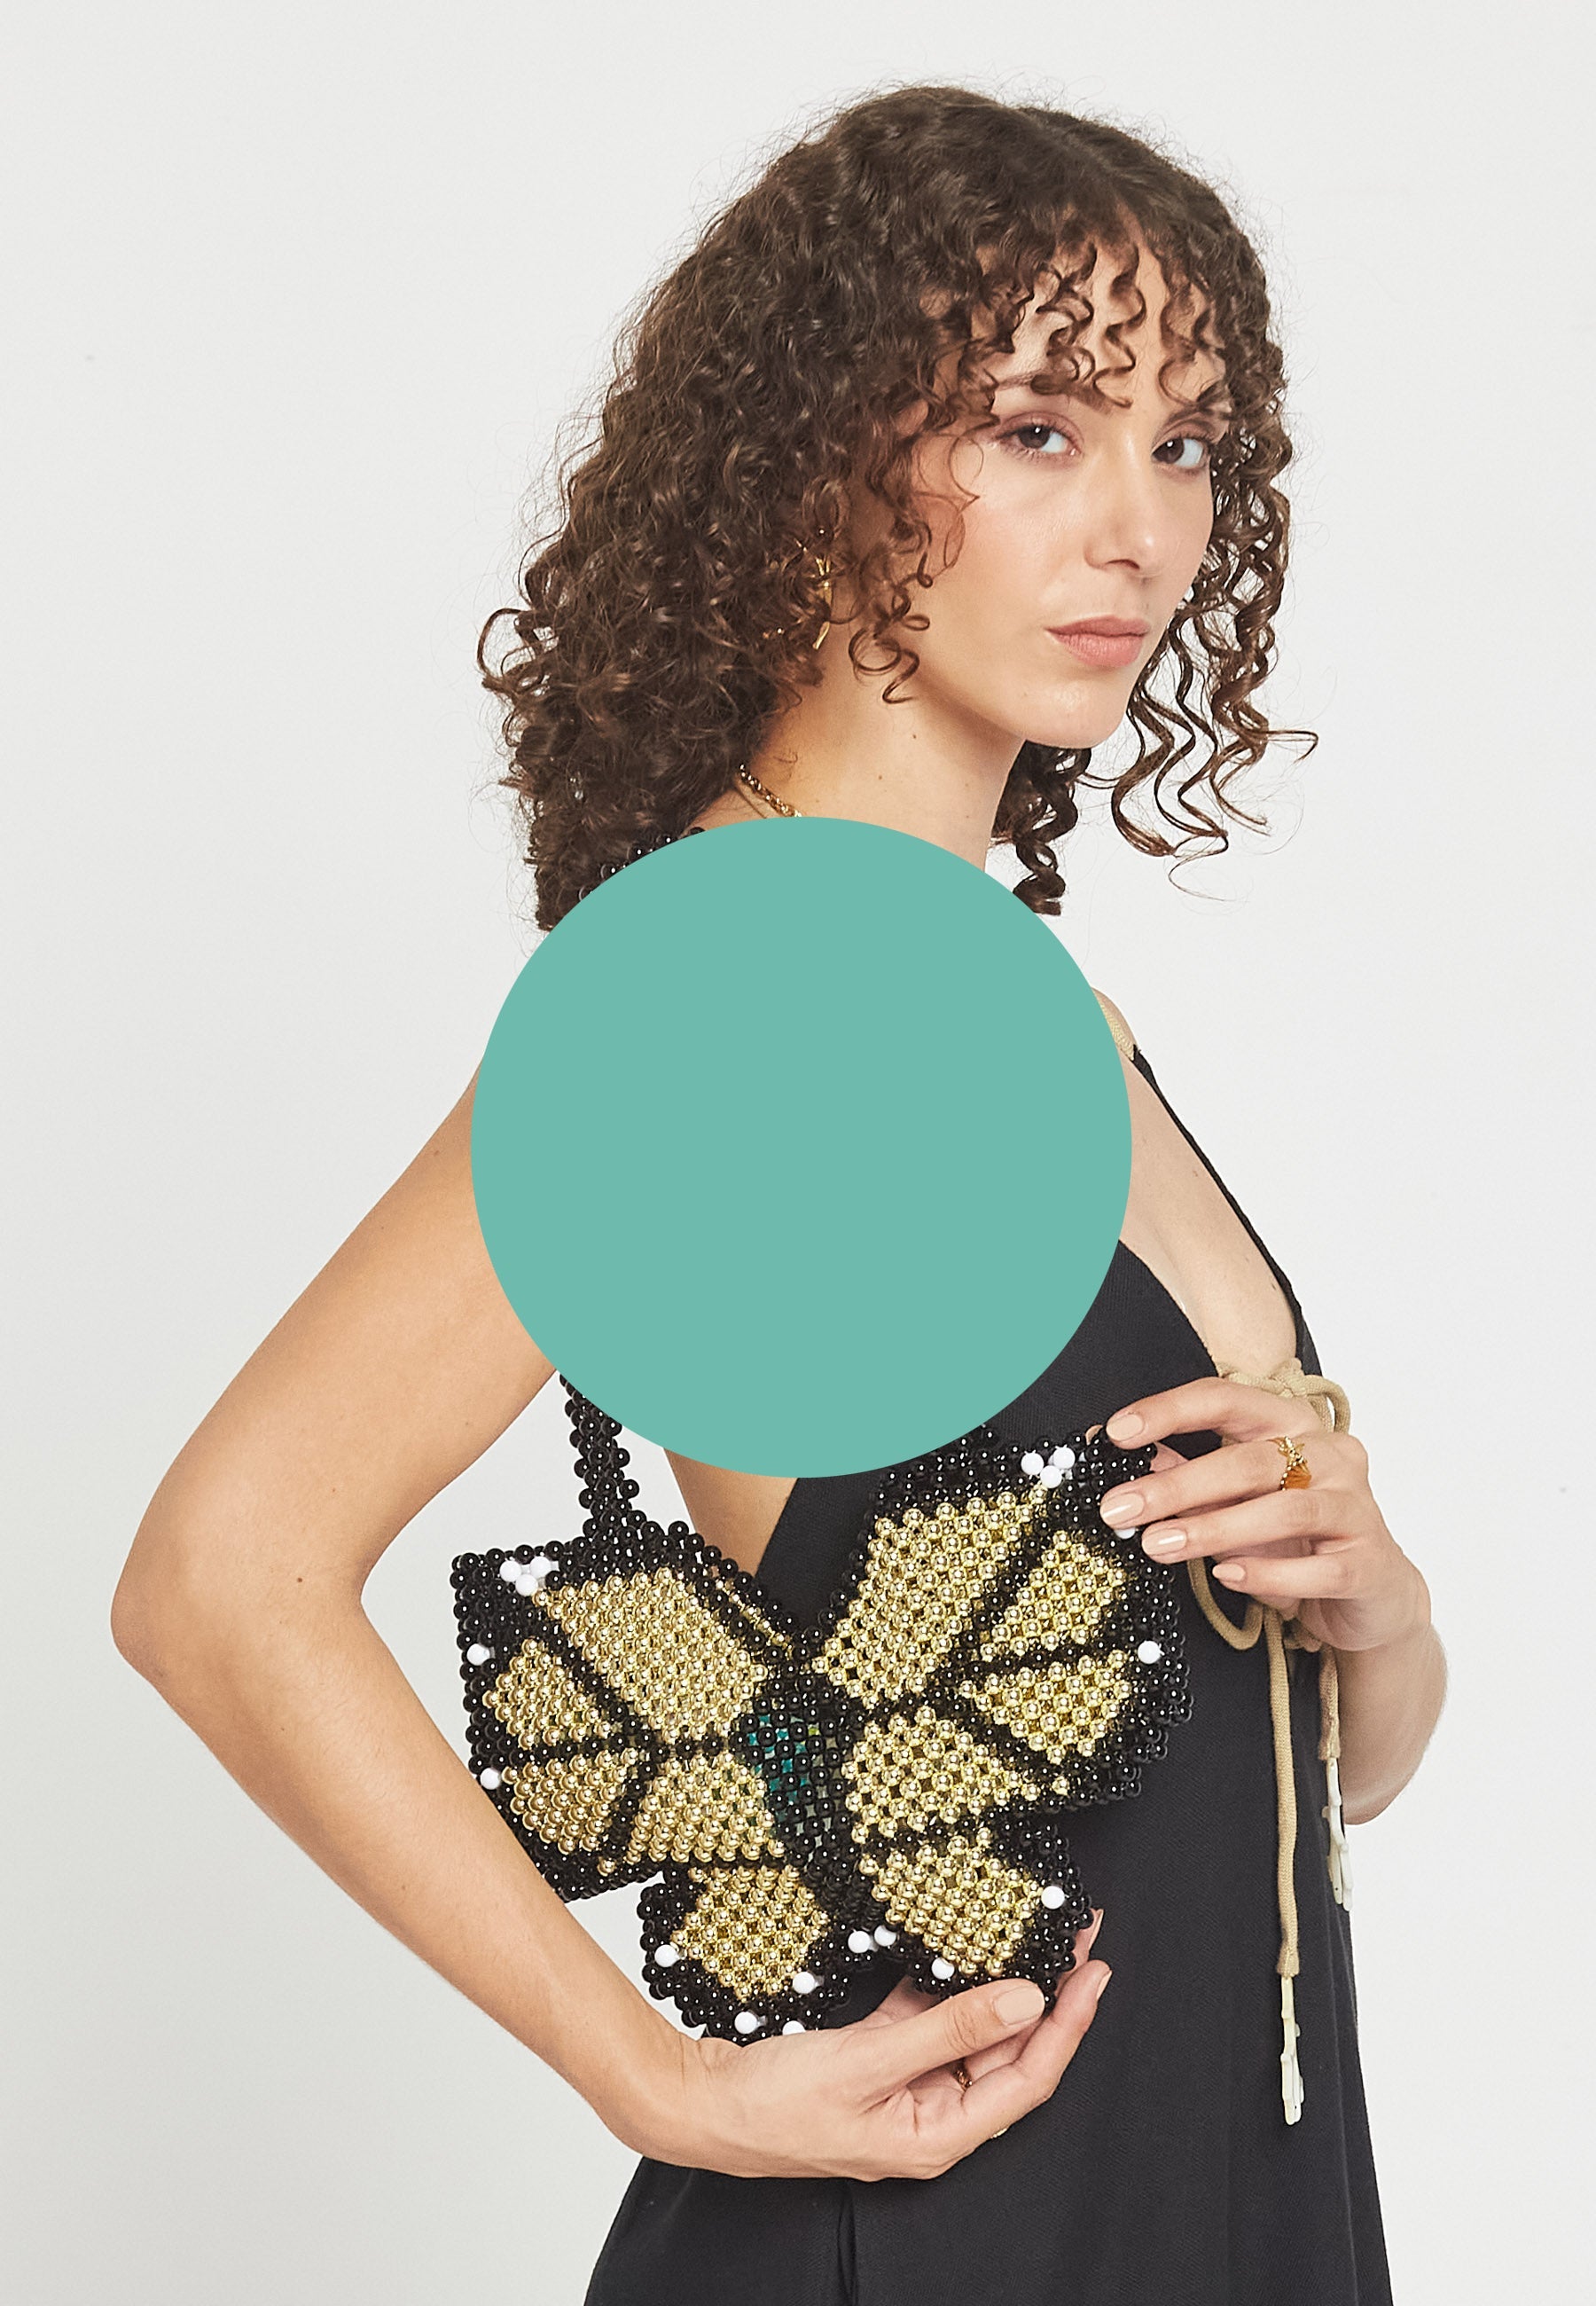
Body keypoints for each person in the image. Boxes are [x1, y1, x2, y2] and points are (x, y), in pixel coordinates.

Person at [113, 84, 1446, 2305]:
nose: (1139, 530)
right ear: (821, 456)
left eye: (1188, 444)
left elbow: (1289, 1781)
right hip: (939, 2233)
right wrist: (653, 2074)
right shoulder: (719, 986)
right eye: (1039, 430)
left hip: (1233, 2188)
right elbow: (217, 1572)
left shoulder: (1042, 1003)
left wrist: (1378, 1614)